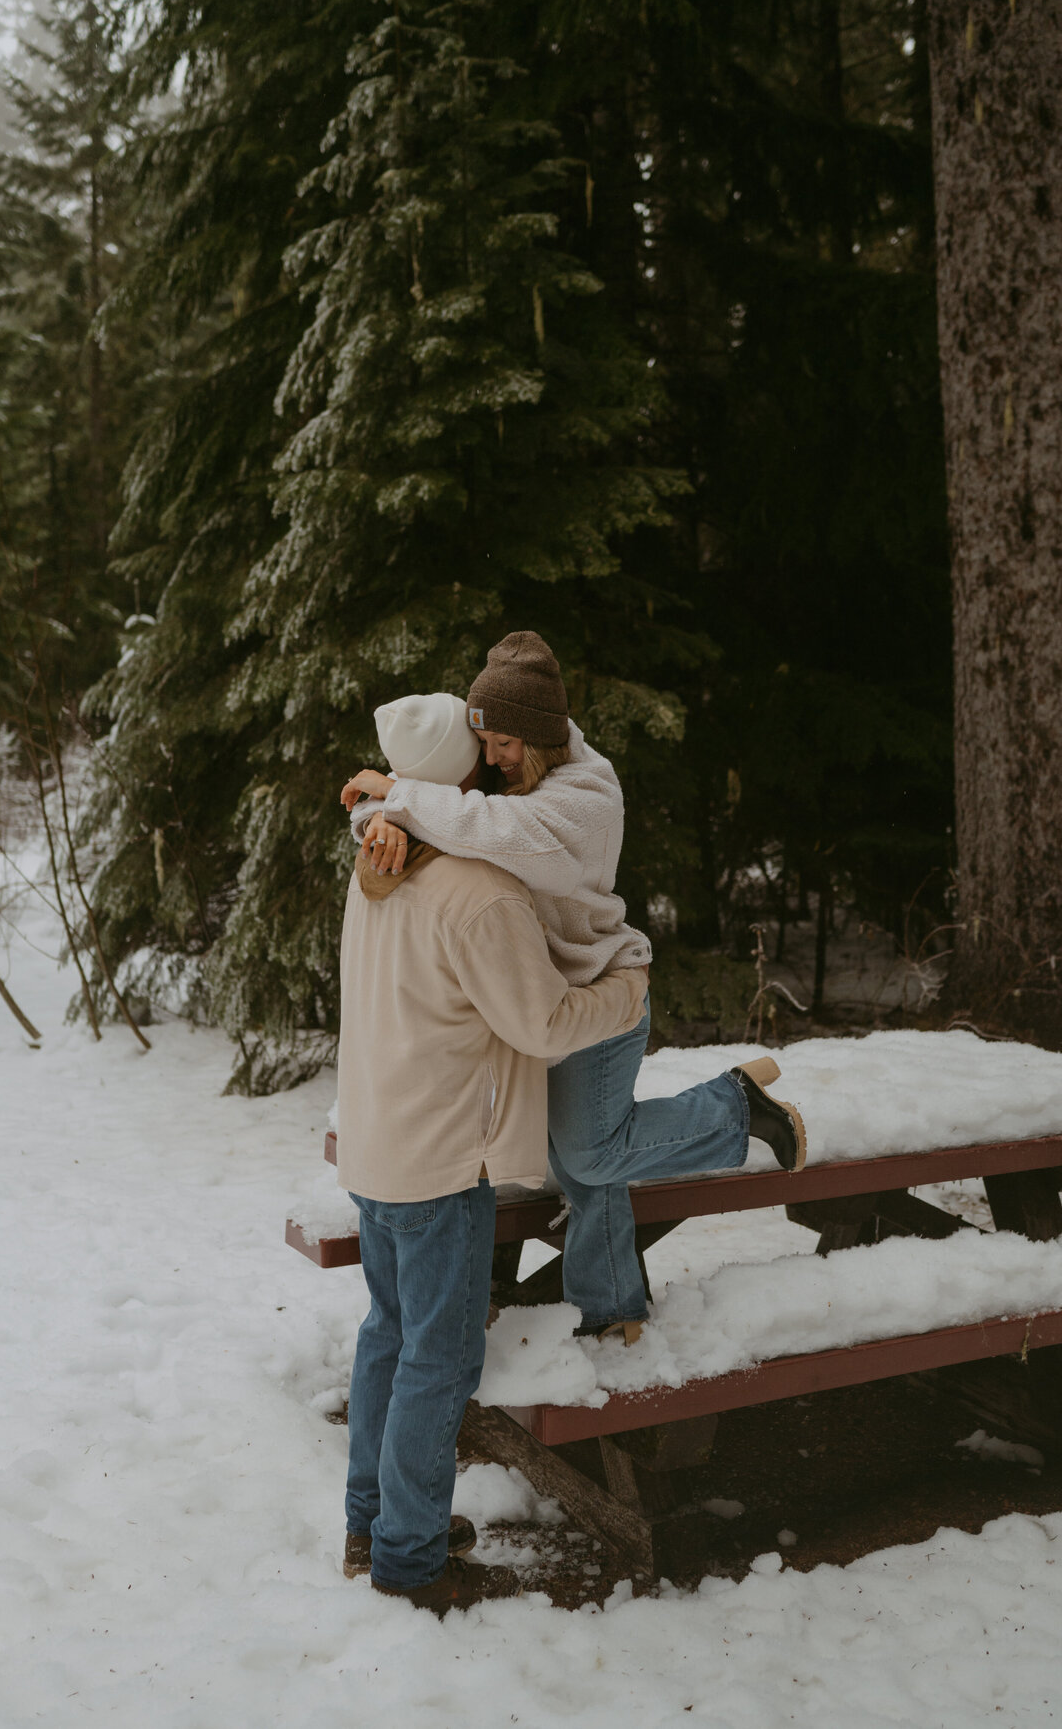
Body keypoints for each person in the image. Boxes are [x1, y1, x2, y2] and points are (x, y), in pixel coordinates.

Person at [343, 633, 805, 1344]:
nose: (492, 758)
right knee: (573, 1160)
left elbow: (489, 826)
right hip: (535, 1002)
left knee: (589, 1154)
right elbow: (437, 801)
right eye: (484, 744)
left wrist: (398, 800)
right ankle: (609, 1304)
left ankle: (736, 1109)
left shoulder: (587, 795)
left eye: (503, 744)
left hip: (600, 994)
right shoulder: (509, 772)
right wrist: (378, 821)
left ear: (537, 736)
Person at [338, 689, 649, 1615]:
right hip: (441, 1161)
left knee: (387, 1337)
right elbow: (542, 1024)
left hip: (377, 1144)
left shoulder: (379, 863)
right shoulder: (482, 894)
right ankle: (409, 1558)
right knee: (438, 1360)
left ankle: (372, 1523)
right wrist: (625, 992)